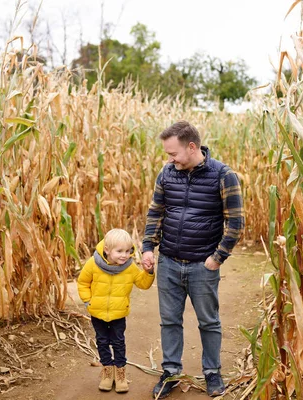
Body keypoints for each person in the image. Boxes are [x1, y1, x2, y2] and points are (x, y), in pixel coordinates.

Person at [142, 121, 244, 398]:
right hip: (169, 262)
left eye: (173, 153)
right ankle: (171, 372)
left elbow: (235, 222)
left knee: (208, 321)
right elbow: (155, 213)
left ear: (191, 147)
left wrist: (217, 258)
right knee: (169, 321)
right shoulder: (167, 173)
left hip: (203, 264)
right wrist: (148, 248)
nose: (170, 159)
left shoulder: (223, 175)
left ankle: (212, 373)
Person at [78, 228, 155, 393]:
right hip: (97, 313)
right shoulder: (93, 263)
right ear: (107, 250)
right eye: (119, 251)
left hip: (118, 314)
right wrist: (87, 301)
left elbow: (143, 284)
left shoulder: (130, 267)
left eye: (128, 251)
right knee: (102, 342)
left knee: (118, 342)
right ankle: (107, 372)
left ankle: (120, 374)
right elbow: (83, 282)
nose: (124, 255)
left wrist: (148, 272)